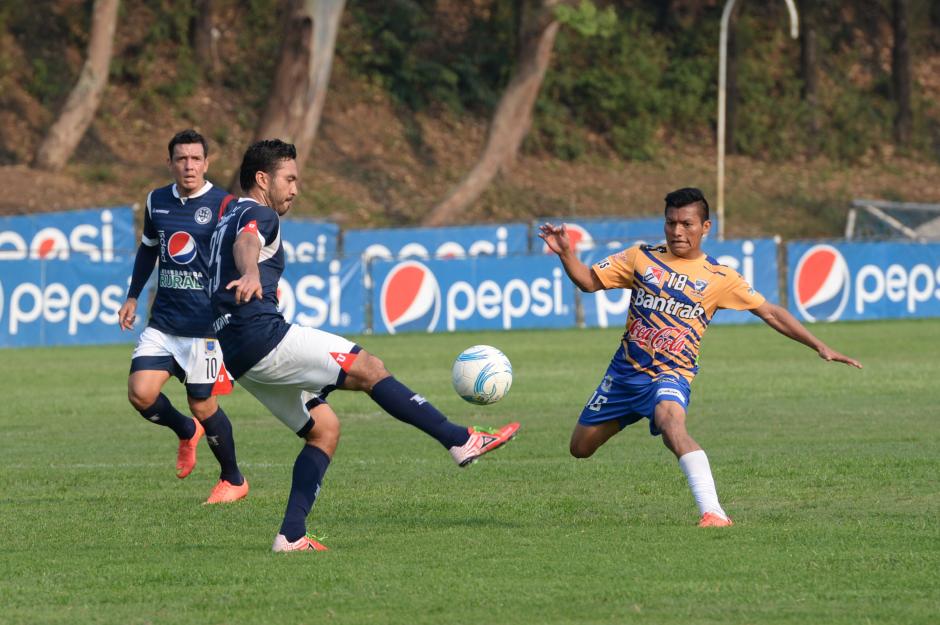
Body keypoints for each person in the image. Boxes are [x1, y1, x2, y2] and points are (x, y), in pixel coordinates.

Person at [209, 139, 519, 552]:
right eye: (290, 179)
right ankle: (460, 439)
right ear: (262, 179)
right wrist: (250, 273)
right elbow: (248, 243)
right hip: (262, 335)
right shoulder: (258, 214)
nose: (296, 189)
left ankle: (291, 535)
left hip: (237, 352)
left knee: (324, 431)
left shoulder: (224, 217)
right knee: (369, 367)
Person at [539, 187, 862, 527]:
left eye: (687, 224)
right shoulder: (641, 258)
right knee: (580, 448)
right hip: (623, 374)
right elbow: (590, 281)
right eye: (671, 223)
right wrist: (565, 254)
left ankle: (713, 512)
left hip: (671, 375)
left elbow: (770, 312)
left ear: (706, 227)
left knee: (671, 425)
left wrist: (820, 346)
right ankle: (635, 411)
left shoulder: (719, 277)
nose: (678, 231)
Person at [118, 129, 248, 505]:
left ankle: (233, 478)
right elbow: (148, 250)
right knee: (141, 393)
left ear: (206, 163)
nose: (189, 165)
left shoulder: (225, 205)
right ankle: (184, 430)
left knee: (203, 404)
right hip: (164, 324)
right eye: (181, 159)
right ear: (170, 162)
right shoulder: (156, 200)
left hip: (206, 330)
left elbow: (241, 250)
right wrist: (132, 296)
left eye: (195, 159)